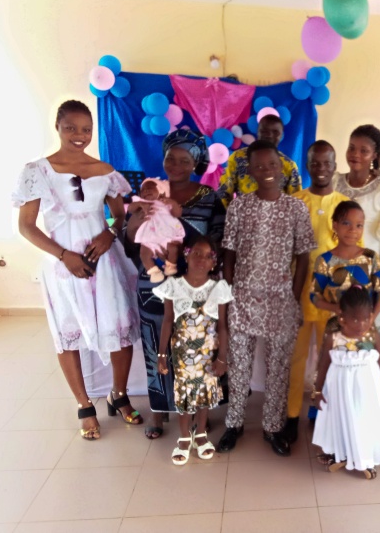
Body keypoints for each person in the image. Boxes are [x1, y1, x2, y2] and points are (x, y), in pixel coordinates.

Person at [13, 99, 142, 440]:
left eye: (86, 129)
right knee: (68, 333)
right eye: (71, 128)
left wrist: (109, 232)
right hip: (63, 265)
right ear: (58, 127)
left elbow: (120, 215)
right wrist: (63, 255)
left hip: (104, 262)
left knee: (120, 329)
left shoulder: (105, 170)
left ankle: (119, 394)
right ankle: (84, 405)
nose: (79, 135)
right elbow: (26, 225)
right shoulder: (37, 170)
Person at [125, 128, 225, 439]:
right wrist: (136, 222)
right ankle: (159, 412)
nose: (177, 165)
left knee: (195, 349)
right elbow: (129, 242)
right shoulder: (149, 190)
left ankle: (197, 411)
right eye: (171, 158)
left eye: (185, 160)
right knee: (158, 345)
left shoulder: (209, 198)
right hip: (153, 283)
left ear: (197, 163)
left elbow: (218, 242)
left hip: (195, 289)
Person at [219, 140, 316, 457]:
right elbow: (229, 253)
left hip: (281, 300)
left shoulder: (296, 208)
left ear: (282, 167)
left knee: (278, 367)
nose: (266, 171)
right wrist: (232, 292)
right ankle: (233, 423)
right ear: (250, 170)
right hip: (244, 298)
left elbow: (303, 257)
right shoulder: (239, 206)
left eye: (271, 165)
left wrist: (294, 296)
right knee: (239, 366)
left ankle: (272, 428)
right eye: (259, 166)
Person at [284, 140, 350, 444]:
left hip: (331, 298)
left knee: (329, 357)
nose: (321, 169)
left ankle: (324, 413)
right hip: (298, 295)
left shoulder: (344, 205)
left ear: (335, 167)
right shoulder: (295, 201)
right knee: (296, 359)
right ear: (308, 166)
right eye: (315, 163)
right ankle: (292, 415)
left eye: (327, 163)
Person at [153, 236, 232, 465]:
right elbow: (168, 321)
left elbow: (223, 326)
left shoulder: (218, 288)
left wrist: (223, 358)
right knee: (186, 394)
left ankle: (201, 435)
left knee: (205, 394)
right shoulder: (174, 286)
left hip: (208, 355)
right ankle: (184, 437)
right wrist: (161, 354)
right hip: (182, 355)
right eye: (197, 253)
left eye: (208, 256)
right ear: (186, 255)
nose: (202, 259)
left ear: (214, 263)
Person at [312, 286, 380, 480]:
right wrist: (317, 391)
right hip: (339, 388)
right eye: (355, 319)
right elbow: (323, 365)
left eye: (366, 317)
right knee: (341, 419)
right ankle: (341, 453)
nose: (362, 324)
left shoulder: (373, 336)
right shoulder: (333, 338)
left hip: (367, 388)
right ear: (342, 317)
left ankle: (364, 456)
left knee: (363, 419)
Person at [333, 125, 380, 345]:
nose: (355, 155)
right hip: (336, 270)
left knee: (365, 341)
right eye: (351, 148)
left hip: (370, 274)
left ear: (374, 155)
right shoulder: (335, 182)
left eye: (363, 151)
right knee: (335, 339)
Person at [310, 201, 380, 327]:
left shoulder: (370, 258)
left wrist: (371, 318)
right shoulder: (325, 260)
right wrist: (335, 308)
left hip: (365, 327)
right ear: (335, 225)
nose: (352, 230)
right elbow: (315, 295)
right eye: (346, 223)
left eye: (359, 225)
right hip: (336, 327)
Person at [218, 114, 301, 205]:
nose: (269, 135)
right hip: (243, 216)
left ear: (281, 135)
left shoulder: (289, 165)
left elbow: (296, 200)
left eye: (275, 132)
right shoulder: (238, 158)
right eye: (265, 131)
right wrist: (229, 216)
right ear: (258, 132)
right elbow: (223, 193)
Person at [132, 178, 185, 283]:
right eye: (143, 190)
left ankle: (171, 266)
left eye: (150, 188)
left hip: (168, 234)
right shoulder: (141, 202)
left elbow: (178, 213)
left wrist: (172, 203)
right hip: (150, 235)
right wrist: (139, 205)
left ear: (161, 190)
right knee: (144, 253)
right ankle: (153, 271)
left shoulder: (165, 202)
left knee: (173, 248)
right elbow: (130, 208)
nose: (146, 191)